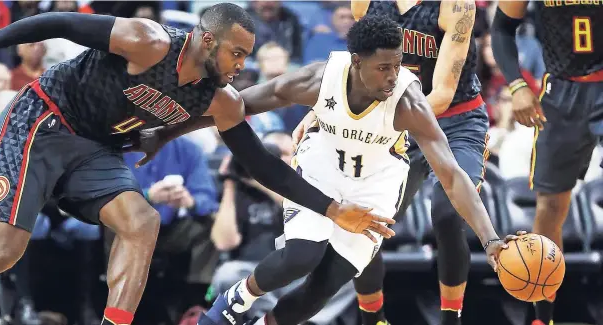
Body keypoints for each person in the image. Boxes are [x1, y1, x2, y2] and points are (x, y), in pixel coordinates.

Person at [0, 4, 393, 325]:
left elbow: (262, 165)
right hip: (44, 119)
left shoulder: (220, 99)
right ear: (208, 41)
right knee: (1, 253)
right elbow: (60, 23)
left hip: (95, 146)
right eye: (236, 53)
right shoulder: (148, 42)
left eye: (248, 55)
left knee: (142, 222)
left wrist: (333, 210)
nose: (243, 65)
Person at [190, 14, 515, 325]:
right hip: (322, 170)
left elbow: (452, 174)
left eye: (398, 65)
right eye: (383, 67)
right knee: (301, 257)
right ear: (356, 61)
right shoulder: (320, 79)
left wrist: (490, 240)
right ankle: (237, 299)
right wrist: (169, 130)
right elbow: (235, 105)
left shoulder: (408, 102)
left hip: (375, 188)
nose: (392, 76)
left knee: (320, 292)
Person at [306, 1, 488, 324]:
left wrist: (380, 123)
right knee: (367, 219)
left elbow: (443, 94)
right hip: (393, 120)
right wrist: (318, 112)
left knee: (447, 212)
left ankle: (451, 318)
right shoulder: (367, 3)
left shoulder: (456, 5)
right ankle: (373, 318)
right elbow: (354, 69)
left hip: (455, 120)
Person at [491, 2, 603, 325]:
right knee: (550, 207)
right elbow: (500, 29)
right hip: (561, 91)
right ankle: (542, 318)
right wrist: (517, 85)